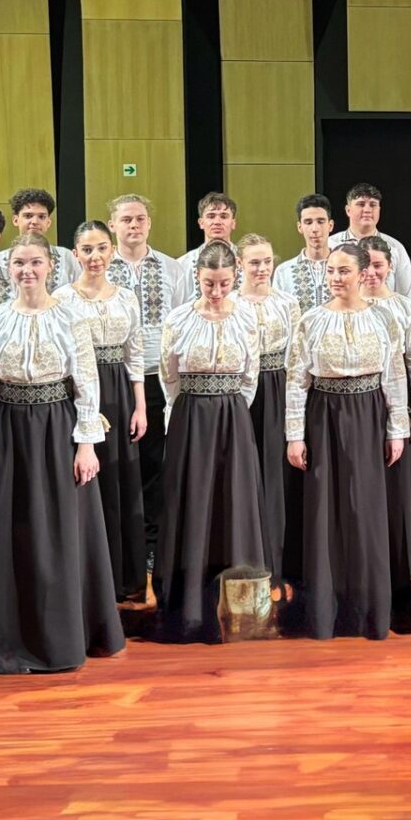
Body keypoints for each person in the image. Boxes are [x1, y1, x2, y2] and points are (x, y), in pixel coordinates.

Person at [0, 234, 123, 671]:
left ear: (51, 266)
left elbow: (86, 383)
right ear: (9, 268)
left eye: (35, 262)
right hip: (10, 432)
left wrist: (86, 444)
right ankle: (11, 640)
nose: (27, 270)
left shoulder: (71, 317)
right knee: (12, 534)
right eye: (19, 263)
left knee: (60, 532)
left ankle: (63, 638)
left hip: (57, 430)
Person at [287, 243, 410, 640]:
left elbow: (395, 376)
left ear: (362, 273)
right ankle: (326, 611)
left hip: (369, 416)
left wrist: (396, 429)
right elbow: (297, 381)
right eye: (331, 271)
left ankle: (369, 611)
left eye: (343, 271)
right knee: (325, 511)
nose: (336, 278)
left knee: (366, 510)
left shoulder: (384, 318)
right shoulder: (311, 320)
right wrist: (295, 436)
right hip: (323, 416)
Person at [156, 240, 268, 639]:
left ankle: (238, 607)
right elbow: (169, 376)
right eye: (209, 284)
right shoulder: (179, 319)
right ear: (197, 278)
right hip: (191, 417)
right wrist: (185, 412)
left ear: (235, 276)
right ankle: (187, 605)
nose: (217, 291)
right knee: (193, 503)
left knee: (232, 504)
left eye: (223, 283)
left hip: (232, 417)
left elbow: (250, 376)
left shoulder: (247, 318)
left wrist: (230, 408)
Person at [101, 192, 189, 590]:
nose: (133, 225)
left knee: (155, 465)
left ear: (149, 223)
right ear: (113, 226)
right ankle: (117, 548)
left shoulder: (173, 268)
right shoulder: (101, 265)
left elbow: (183, 320)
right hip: (114, 379)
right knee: (117, 464)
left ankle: (152, 546)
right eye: (126, 219)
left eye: (139, 218)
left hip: (157, 377)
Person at [59, 220, 150, 603]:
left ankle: (125, 578)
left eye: (101, 248)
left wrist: (140, 405)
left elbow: (135, 353)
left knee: (120, 482)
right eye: (87, 249)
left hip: (119, 393)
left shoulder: (126, 297)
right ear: (75, 254)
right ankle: (88, 580)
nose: (94, 256)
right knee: (86, 483)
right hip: (78, 393)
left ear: (111, 250)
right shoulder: (62, 298)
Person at [362, 235, 411, 622]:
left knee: (395, 496)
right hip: (358, 411)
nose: (372, 273)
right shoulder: (344, 306)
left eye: (378, 265)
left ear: (390, 267)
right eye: (366, 266)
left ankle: (400, 580)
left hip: (398, 410)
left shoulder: (404, 307)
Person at [237, 233, 301, 584]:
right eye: (254, 262)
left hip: (279, 387)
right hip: (241, 390)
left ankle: (280, 556)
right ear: (239, 265)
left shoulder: (287, 303)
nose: (262, 269)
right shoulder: (230, 303)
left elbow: (296, 355)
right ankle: (248, 554)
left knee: (277, 471)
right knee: (245, 470)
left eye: (266, 262)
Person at [330, 183, 411, 296]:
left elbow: (407, 296)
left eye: (373, 205)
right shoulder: (331, 245)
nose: (367, 210)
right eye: (361, 204)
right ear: (348, 210)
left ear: (379, 209)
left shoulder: (395, 247)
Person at [0, 187, 80, 295]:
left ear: (48, 222)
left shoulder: (66, 257)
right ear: (15, 220)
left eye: (41, 217)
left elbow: (80, 294)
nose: (34, 221)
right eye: (28, 216)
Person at [274, 194, 335, 311]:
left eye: (320, 221)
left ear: (330, 225)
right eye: (308, 222)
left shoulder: (346, 269)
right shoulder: (284, 272)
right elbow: (278, 314)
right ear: (299, 227)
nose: (315, 229)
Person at [180, 191, 242, 288]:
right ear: (201, 223)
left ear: (233, 223)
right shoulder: (183, 265)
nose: (217, 222)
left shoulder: (248, 262)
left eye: (224, 216)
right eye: (211, 216)